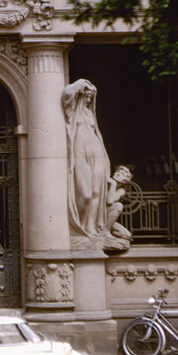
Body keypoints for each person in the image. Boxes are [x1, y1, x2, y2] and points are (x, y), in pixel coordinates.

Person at [62, 79, 110, 238]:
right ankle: (80, 226)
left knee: (97, 192)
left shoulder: (91, 114)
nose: (89, 100)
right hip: (80, 151)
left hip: (97, 152)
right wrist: (82, 83)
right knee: (86, 194)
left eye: (91, 97)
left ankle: (91, 228)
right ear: (80, 95)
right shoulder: (73, 112)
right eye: (86, 96)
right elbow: (67, 94)